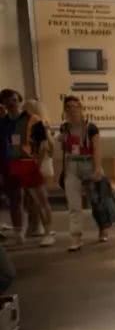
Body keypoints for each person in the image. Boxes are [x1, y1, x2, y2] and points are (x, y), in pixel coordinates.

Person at [57, 96, 108, 251]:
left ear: (80, 108)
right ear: (65, 110)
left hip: (89, 164)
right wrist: (64, 170)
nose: (72, 110)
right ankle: (76, 237)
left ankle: (102, 228)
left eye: (75, 106)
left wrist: (97, 169)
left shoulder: (91, 128)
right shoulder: (64, 128)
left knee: (96, 202)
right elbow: (65, 151)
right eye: (68, 107)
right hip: (72, 166)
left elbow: (97, 149)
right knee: (74, 205)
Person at [0, 89, 35, 245]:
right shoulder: (2, 123)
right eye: (7, 101)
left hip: (28, 161)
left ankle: (40, 227)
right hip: (9, 164)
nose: (11, 104)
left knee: (35, 198)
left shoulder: (30, 119)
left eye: (14, 100)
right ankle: (18, 231)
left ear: (19, 100)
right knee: (15, 198)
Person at [22, 99, 56, 247]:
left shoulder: (39, 124)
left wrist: (36, 164)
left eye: (25, 107)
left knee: (40, 200)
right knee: (34, 200)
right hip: (37, 163)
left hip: (40, 164)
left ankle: (46, 229)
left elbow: (46, 147)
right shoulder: (32, 124)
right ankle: (37, 226)